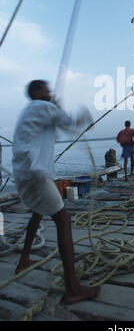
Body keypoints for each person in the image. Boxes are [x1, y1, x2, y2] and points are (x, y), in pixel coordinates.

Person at [12, 80, 100, 304]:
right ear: (35, 92)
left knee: (37, 212)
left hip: (25, 175)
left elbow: (60, 126)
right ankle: (73, 288)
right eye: (44, 89)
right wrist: (85, 113)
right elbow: (71, 122)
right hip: (37, 175)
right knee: (63, 220)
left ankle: (24, 260)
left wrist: (56, 109)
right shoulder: (43, 107)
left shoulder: (32, 111)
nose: (49, 91)